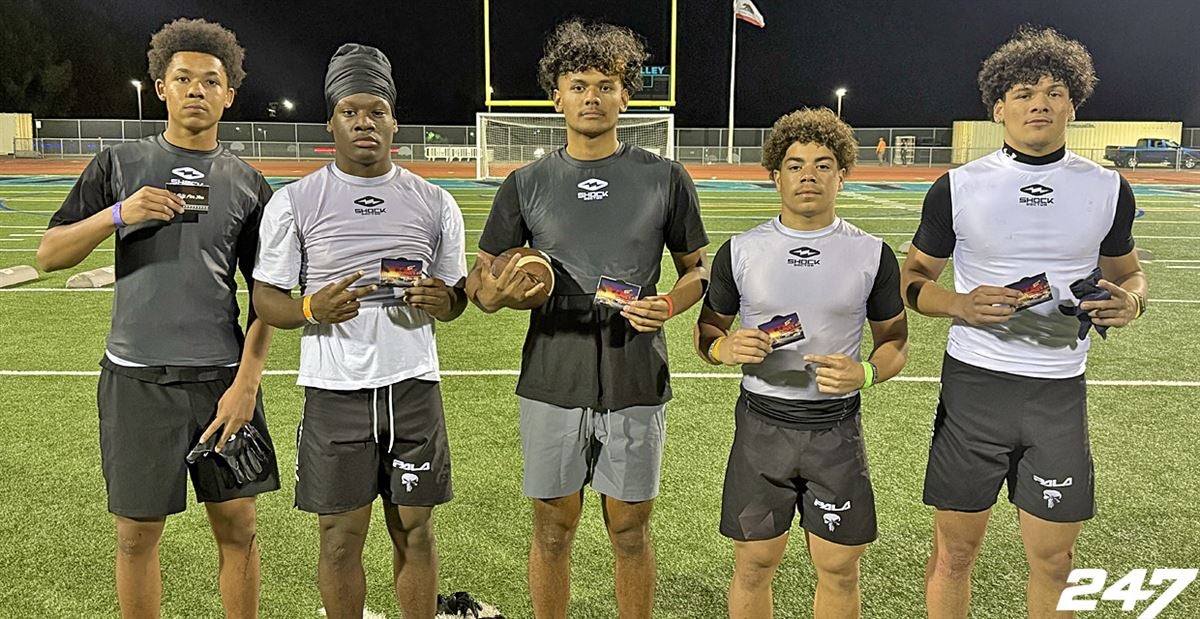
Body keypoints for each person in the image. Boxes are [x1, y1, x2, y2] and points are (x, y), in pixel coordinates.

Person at [899, 26, 1147, 619]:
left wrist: (1132, 302)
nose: (1040, 103)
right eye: (1024, 92)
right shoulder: (958, 186)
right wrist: (958, 304)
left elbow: (1130, 274)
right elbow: (913, 280)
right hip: (975, 388)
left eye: (1054, 92)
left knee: (1056, 562)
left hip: (1058, 393)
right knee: (955, 555)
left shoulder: (1108, 188)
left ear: (1072, 106)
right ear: (998, 108)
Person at [465, 19, 709, 619]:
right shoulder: (526, 183)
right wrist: (497, 296)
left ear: (626, 96)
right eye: (578, 85)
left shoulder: (665, 177)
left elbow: (698, 271)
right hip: (554, 368)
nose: (592, 97)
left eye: (606, 85)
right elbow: (480, 282)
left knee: (630, 530)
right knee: (552, 528)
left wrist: (668, 305)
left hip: (635, 368)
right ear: (558, 97)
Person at [36, 18, 279, 618]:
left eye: (211, 81)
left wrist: (247, 385)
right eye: (183, 78)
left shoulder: (249, 184)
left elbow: (267, 297)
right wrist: (119, 213)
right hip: (136, 380)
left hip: (220, 382)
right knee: (135, 537)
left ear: (229, 95)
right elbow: (49, 255)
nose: (197, 89)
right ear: (161, 87)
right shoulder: (118, 163)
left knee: (239, 529)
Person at [252, 43, 467, 619]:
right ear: (332, 122)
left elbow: (455, 298)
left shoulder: (435, 202)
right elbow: (266, 300)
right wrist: (310, 308)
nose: (364, 122)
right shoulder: (294, 201)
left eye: (377, 111)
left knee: (415, 531)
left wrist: (444, 300)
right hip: (335, 392)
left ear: (394, 122)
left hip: (412, 386)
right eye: (350, 111)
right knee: (339, 540)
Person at [696, 108, 908, 619]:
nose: (807, 175)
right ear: (776, 176)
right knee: (753, 566)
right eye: (795, 165)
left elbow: (896, 340)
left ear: (842, 174)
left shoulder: (872, 253)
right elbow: (707, 332)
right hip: (761, 429)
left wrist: (867, 372)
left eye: (822, 165)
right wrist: (725, 350)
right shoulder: (741, 251)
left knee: (839, 568)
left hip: (835, 431)